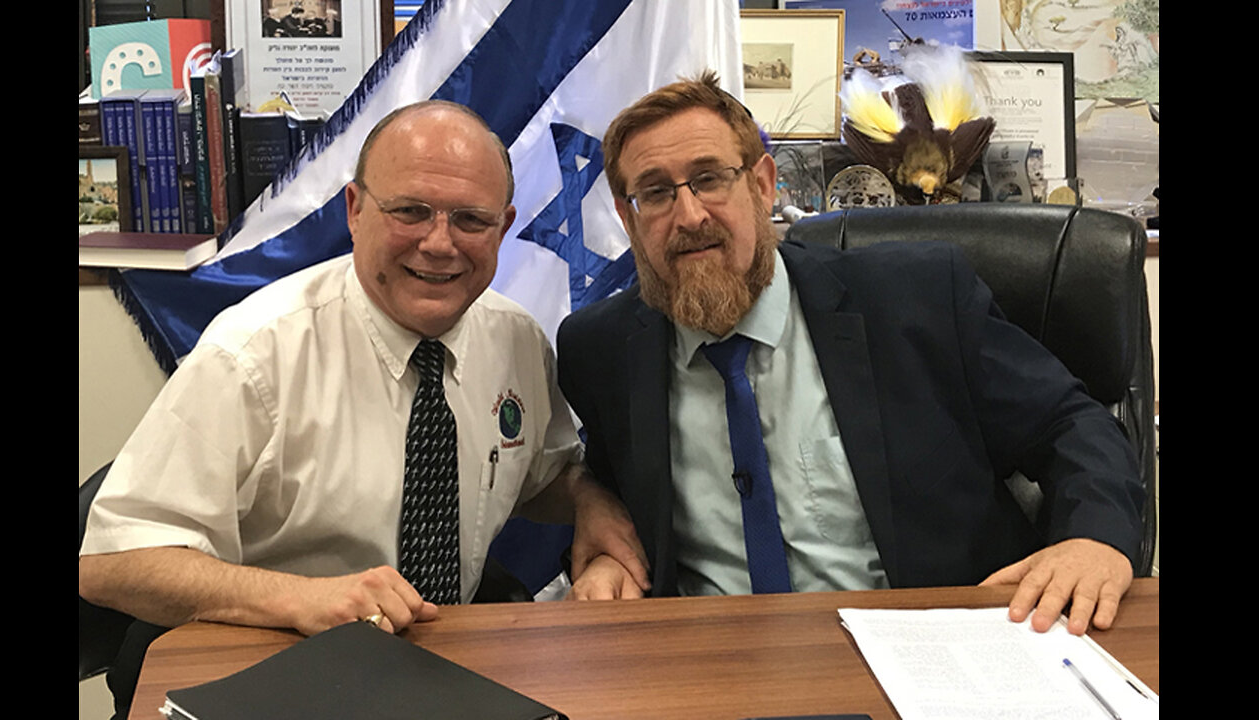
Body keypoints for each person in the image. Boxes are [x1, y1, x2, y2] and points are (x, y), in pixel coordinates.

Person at [557, 72, 1144, 636]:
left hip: (928, 648)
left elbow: (1071, 424)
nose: (688, 216)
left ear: (762, 185)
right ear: (626, 217)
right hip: (712, 663)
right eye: (655, 193)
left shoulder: (917, 298)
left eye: (710, 178)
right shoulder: (600, 350)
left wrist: (1093, 539)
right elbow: (611, 485)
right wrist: (605, 544)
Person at [80, 101, 648, 643]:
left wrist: (588, 502)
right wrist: (299, 599)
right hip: (277, 660)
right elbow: (113, 561)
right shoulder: (256, 353)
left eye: (471, 220)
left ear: (503, 229)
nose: (439, 243)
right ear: (355, 209)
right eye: (410, 211)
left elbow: (543, 475)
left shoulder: (516, 340)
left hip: (451, 660)